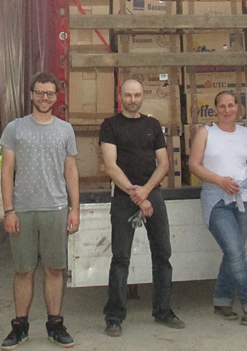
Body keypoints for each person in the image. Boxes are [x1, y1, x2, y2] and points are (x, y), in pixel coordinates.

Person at [0, 72, 80, 349]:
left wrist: (74, 209)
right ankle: (19, 326)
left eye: (49, 93)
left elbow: (71, 170)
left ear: (56, 97)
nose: (44, 98)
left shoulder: (65, 130)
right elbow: (7, 170)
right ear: (31, 94)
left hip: (56, 208)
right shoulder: (15, 129)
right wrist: (9, 210)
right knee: (23, 270)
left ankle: (55, 325)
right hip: (22, 210)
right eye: (39, 92)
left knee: (55, 269)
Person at [100, 78, 184, 337]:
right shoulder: (110, 126)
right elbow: (111, 166)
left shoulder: (152, 125)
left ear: (142, 96)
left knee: (162, 255)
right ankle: (114, 317)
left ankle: (162, 311)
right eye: (128, 95)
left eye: (137, 95)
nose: (133, 100)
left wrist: (146, 192)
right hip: (125, 198)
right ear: (120, 96)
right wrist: (137, 195)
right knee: (120, 258)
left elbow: (164, 163)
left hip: (152, 195)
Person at [188, 90, 247, 325]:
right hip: (216, 200)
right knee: (235, 251)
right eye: (222, 106)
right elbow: (193, 164)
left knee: (233, 252)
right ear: (215, 108)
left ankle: (221, 300)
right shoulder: (205, 132)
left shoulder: (246, 133)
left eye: (232, 105)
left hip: (244, 199)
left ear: (238, 109)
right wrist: (219, 180)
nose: (227, 110)